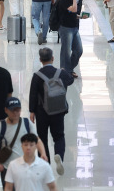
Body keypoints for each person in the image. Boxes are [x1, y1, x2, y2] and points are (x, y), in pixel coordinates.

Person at [29, 47, 74, 176]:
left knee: (41, 138)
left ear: (40, 60)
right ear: (52, 58)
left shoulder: (37, 76)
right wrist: (65, 72)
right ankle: (59, 155)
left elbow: (33, 94)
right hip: (58, 111)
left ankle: (45, 165)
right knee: (59, 136)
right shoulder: (60, 73)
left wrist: (32, 111)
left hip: (42, 112)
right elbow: (70, 80)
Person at [0, 97, 46, 187]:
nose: (15, 113)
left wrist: (43, 153)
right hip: (7, 169)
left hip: (26, 167)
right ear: (6, 110)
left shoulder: (27, 123)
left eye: (17, 110)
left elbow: (37, 140)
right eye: (12, 110)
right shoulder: (1, 127)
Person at [55, 0, 87, 77]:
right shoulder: (62, 1)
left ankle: (68, 69)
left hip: (74, 28)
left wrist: (80, 17)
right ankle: (65, 70)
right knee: (66, 51)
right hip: (65, 28)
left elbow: (73, 13)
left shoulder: (70, 0)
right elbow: (74, 9)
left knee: (78, 50)